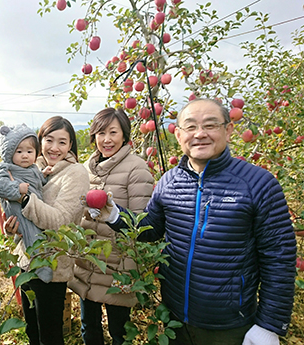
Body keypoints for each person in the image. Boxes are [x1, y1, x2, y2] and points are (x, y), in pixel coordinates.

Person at [88, 99, 297, 345]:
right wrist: (114, 215)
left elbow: (279, 257)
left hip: (228, 325)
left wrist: (269, 325)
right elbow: (151, 228)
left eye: (210, 125)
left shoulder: (258, 184)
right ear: (178, 135)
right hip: (175, 317)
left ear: (228, 130)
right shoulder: (169, 181)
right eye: (190, 127)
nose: (200, 134)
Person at [68, 108, 154, 345]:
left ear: (125, 135)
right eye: (101, 132)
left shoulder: (137, 168)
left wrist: (115, 214)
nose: (106, 139)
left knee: (119, 331)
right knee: (89, 327)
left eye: (113, 132)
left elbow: (141, 223)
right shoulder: (87, 168)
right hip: (89, 260)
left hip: (118, 263)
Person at [5, 116, 89, 345]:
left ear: (71, 145)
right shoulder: (32, 169)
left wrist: (24, 199)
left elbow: (61, 221)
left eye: (62, 142)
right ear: (40, 140)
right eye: (49, 140)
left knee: (49, 336)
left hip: (52, 267)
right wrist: (12, 228)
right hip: (26, 262)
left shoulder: (76, 173)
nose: (54, 148)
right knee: (32, 331)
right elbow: (21, 218)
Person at [0, 123, 53, 283]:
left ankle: (38, 264)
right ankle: (42, 268)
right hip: (19, 210)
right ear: (9, 152)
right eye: (19, 151)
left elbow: (36, 182)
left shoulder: (32, 168)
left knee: (36, 234)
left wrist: (42, 176)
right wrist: (16, 188)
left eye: (29, 151)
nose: (24, 155)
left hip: (33, 208)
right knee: (32, 236)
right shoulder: (5, 168)